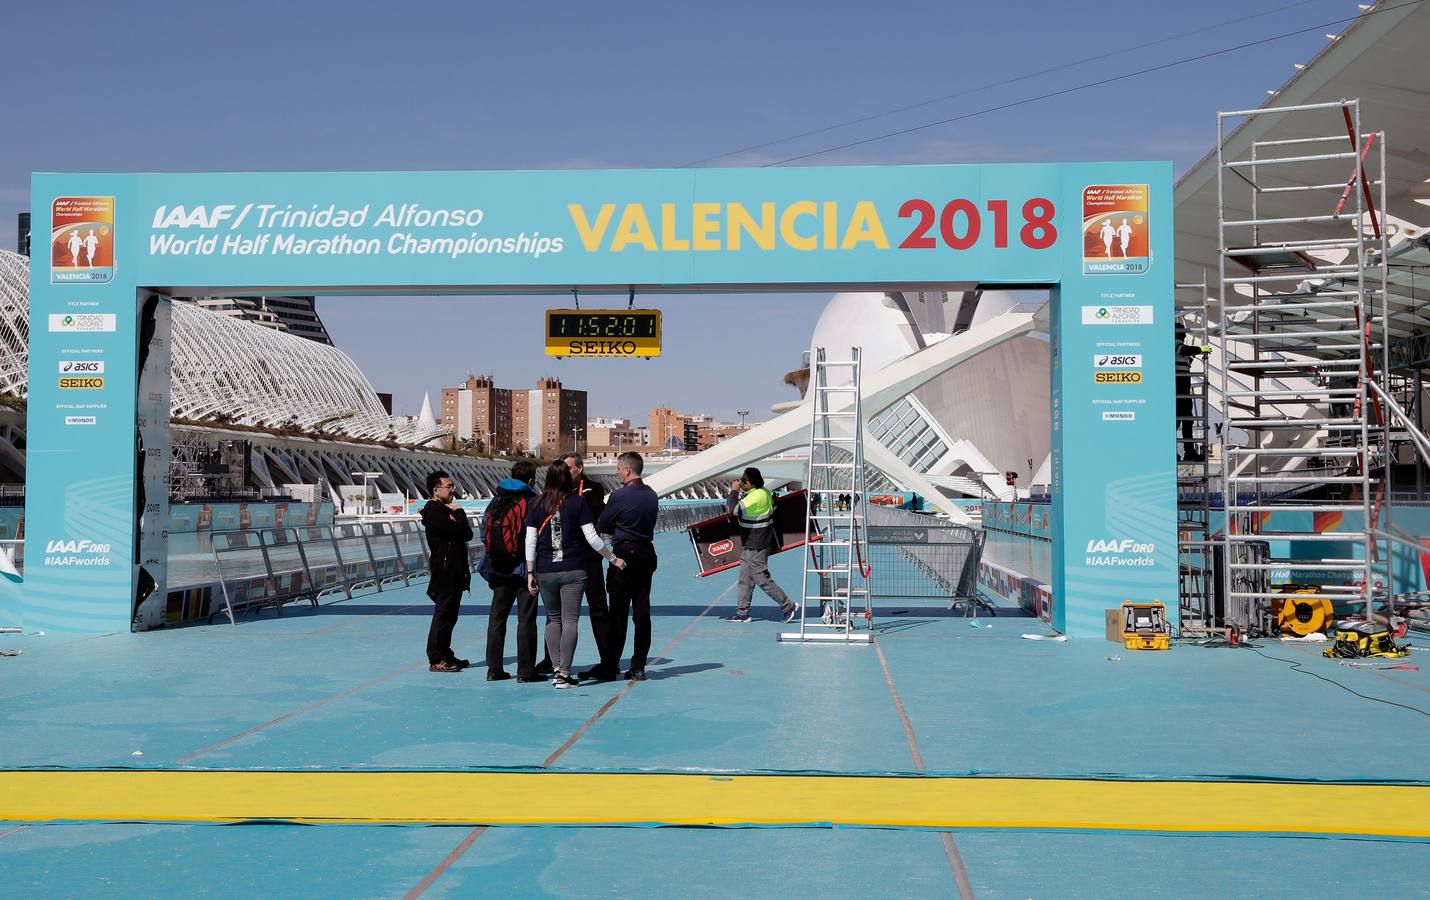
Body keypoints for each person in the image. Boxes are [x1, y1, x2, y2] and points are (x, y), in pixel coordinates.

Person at [526, 462, 624, 689]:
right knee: (570, 621)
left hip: (544, 569)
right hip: (573, 569)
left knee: (552, 619)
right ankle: (564, 674)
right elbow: (592, 537)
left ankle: (555, 669)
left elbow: (530, 540)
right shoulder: (578, 502)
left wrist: (530, 571)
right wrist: (613, 559)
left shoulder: (536, 504)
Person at [596, 451, 659, 680]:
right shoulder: (652, 495)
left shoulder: (619, 496)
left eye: (618, 469)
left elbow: (603, 523)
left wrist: (619, 529)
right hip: (646, 553)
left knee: (618, 613)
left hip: (623, 553)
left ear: (627, 470)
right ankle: (638, 665)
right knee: (642, 613)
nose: (616, 473)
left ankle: (610, 664)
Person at [478, 460, 543, 682]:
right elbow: (537, 536)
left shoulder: (496, 501)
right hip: (525, 569)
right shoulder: (533, 502)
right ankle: (525, 672)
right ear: (532, 480)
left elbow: (482, 532)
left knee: (497, 619)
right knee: (526, 620)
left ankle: (493, 669)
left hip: (498, 568)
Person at [561, 452, 616, 682]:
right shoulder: (559, 490)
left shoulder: (594, 488)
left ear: (579, 468)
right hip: (565, 557)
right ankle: (553, 660)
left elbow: (594, 512)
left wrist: (575, 502)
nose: (565, 473)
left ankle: (608, 661)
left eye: (569, 469)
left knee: (598, 608)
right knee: (558, 613)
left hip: (590, 557)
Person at [725, 467, 797, 624]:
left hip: (757, 544)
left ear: (753, 483)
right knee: (745, 578)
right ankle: (743, 613)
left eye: (745, 481)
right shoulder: (762, 492)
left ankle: (788, 606)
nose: (742, 482)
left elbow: (732, 510)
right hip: (751, 543)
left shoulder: (756, 496)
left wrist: (733, 492)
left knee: (762, 579)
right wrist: (742, 492)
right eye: (741, 480)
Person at [420, 470, 472, 672]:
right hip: (445, 570)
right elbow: (460, 531)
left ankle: (445, 652)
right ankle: (435, 658)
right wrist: (458, 512)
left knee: (450, 615)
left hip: (455, 569)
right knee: (443, 615)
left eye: (452, 486)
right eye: (448, 487)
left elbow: (465, 533)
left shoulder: (444, 509)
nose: (452, 490)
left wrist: (457, 515)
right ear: (436, 490)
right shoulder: (434, 511)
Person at [1175, 321, 1211, 463]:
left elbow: (1186, 358)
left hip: (1182, 383)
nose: (1184, 335)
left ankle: (1189, 451)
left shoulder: (1178, 345)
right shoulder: (1173, 343)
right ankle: (1182, 451)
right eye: (1182, 333)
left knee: (1187, 419)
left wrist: (1195, 353)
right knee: (1178, 419)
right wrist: (1200, 349)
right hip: (1177, 383)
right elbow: (1184, 350)